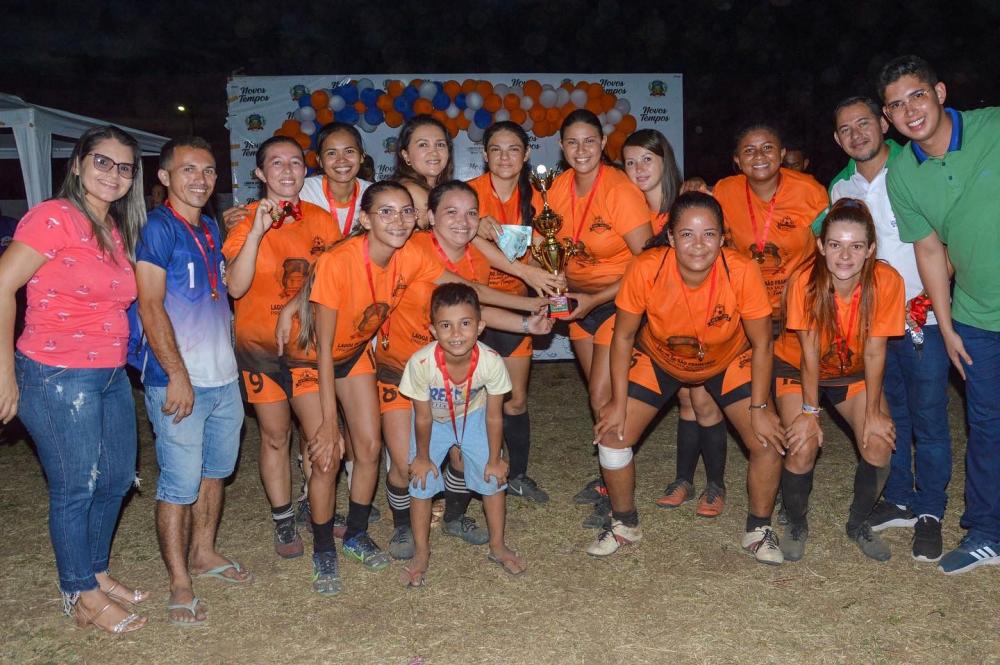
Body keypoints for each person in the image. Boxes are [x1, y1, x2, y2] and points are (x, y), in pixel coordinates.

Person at [289, 180, 545, 594]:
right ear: (366, 219)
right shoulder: (340, 260)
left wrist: (531, 304)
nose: (398, 220)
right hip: (312, 359)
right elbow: (320, 351)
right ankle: (323, 550)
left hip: (353, 355)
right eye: (386, 212)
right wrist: (329, 424)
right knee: (326, 455)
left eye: (406, 211)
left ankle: (355, 532)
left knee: (370, 449)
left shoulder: (409, 255)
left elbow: (471, 293)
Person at [0, 126, 148, 633]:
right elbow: (3, 284)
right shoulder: (53, 217)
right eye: (103, 162)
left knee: (115, 478)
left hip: (109, 373)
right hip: (56, 374)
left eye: (125, 167)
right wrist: (3, 374)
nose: (114, 174)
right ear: (79, 164)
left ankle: (96, 571)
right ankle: (79, 593)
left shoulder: (115, 228)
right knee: (74, 487)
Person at [591, 192, 784, 560]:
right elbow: (624, 336)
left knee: (766, 440)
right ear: (670, 238)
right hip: (661, 357)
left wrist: (760, 406)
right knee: (613, 436)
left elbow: (762, 344)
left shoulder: (741, 270)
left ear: (723, 237)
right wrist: (617, 402)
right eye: (687, 235)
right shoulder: (646, 268)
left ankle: (759, 530)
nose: (699, 245)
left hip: (728, 358)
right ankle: (623, 524)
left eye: (709, 234)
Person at [377, 180, 552, 559]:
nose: (463, 220)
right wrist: (528, 299)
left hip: (453, 370)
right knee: (406, 460)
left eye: (472, 212)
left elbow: (476, 312)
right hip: (402, 366)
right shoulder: (416, 248)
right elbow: (473, 290)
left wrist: (527, 326)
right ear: (431, 217)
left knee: (460, 453)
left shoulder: (476, 254)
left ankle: (455, 516)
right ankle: (403, 526)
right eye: (451, 212)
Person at [880, 54, 1000, 575]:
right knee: (987, 427)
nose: (910, 111)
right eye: (896, 105)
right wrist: (947, 327)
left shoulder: (994, 125)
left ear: (941, 92)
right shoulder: (903, 174)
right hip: (976, 316)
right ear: (889, 118)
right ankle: (988, 531)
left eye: (917, 96)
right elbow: (929, 249)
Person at [130, 137, 252, 627]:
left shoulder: (207, 230)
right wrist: (176, 375)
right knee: (179, 486)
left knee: (214, 473)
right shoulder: (158, 230)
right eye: (187, 170)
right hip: (179, 381)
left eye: (207, 171)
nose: (200, 179)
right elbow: (150, 304)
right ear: (164, 177)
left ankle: (204, 552)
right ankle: (180, 581)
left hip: (224, 380)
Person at [825, 95, 952, 562]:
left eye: (864, 122)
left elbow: (947, 239)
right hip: (871, 326)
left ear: (883, 123)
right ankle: (898, 498)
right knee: (885, 409)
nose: (857, 133)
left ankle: (930, 511)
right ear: (837, 139)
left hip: (924, 322)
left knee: (930, 420)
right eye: (846, 128)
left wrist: (931, 297)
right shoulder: (840, 189)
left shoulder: (916, 166)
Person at [221, 135, 342, 563]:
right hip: (258, 349)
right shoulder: (244, 220)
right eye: (276, 163)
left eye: (295, 162)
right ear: (259, 174)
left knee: (319, 434)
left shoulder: (321, 219)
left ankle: (315, 502)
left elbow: (333, 278)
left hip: (307, 347)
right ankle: (283, 516)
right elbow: (236, 285)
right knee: (274, 436)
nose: (287, 171)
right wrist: (256, 230)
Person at [710, 122, 829, 540]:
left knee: (797, 431)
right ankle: (720, 484)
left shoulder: (810, 192)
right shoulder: (723, 192)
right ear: (736, 160)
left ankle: (792, 508)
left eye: (768, 148)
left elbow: (830, 253)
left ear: (782, 153)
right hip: (748, 320)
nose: (759, 156)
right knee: (749, 408)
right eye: (749, 150)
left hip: (796, 320)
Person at [774, 199, 904, 562]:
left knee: (878, 441)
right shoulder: (804, 281)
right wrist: (810, 414)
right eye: (835, 244)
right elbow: (809, 354)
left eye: (856, 245)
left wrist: (875, 411)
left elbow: (876, 351)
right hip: (798, 369)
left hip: (853, 373)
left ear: (870, 250)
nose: (844, 255)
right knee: (801, 444)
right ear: (821, 246)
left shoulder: (886, 281)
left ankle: (858, 522)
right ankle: (796, 521)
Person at [545, 110, 653, 526]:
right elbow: (546, 244)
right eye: (572, 142)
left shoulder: (620, 189)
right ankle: (609, 473)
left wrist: (594, 300)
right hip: (577, 302)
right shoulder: (556, 187)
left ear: (603, 142)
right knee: (597, 396)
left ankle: (616, 494)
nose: (581, 150)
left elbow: (647, 261)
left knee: (604, 397)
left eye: (589, 141)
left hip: (617, 300)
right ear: (561, 146)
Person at [623, 128, 727, 518]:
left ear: (666, 160)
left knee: (702, 400)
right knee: (686, 402)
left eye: (646, 160)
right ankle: (684, 479)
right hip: (651, 323)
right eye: (630, 162)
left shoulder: (687, 201)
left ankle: (715, 484)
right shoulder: (626, 204)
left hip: (693, 318)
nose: (637, 169)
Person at [401, 283, 526, 586]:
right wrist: (421, 457)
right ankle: (421, 552)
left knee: (493, 479)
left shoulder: (491, 361)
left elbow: (495, 415)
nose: (456, 334)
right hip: (435, 421)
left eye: (465, 324)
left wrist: (495, 459)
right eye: (446, 325)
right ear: (432, 330)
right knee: (421, 481)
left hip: (474, 416)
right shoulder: (420, 363)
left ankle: (497, 546)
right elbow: (423, 415)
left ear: (480, 327)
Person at [467, 121, 551, 503]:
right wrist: (473, 225)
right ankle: (472, 473)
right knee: (471, 398)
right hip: (476, 309)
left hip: (518, 306)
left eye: (513, 149)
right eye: (496, 149)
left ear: (527, 154)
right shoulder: (469, 195)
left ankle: (517, 473)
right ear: (484, 154)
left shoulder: (539, 198)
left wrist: (552, 276)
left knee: (515, 399)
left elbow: (545, 250)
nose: (505, 157)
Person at [390, 115, 454, 189]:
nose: (434, 152)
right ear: (406, 155)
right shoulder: (410, 190)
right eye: (423, 145)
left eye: (440, 144)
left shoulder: (443, 191)